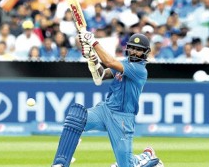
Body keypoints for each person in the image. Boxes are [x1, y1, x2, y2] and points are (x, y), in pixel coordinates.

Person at [51, 32, 164, 167]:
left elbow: (109, 61)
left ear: (145, 52)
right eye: (132, 48)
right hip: (105, 110)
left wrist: (93, 42)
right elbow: (101, 76)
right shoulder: (123, 63)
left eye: (138, 49)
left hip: (122, 118)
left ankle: (146, 156)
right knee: (76, 118)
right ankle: (60, 163)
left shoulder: (139, 69)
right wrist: (92, 59)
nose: (134, 52)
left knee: (126, 165)